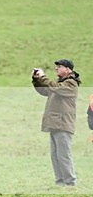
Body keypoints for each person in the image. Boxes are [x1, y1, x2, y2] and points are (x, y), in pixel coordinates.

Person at [32, 58, 81, 186]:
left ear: (68, 69)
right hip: (55, 124)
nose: (56, 68)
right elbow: (44, 91)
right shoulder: (59, 84)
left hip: (63, 125)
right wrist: (37, 79)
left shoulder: (71, 84)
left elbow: (54, 87)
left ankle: (70, 183)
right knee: (55, 155)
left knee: (64, 155)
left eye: (59, 66)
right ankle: (60, 182)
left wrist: (43, 77)